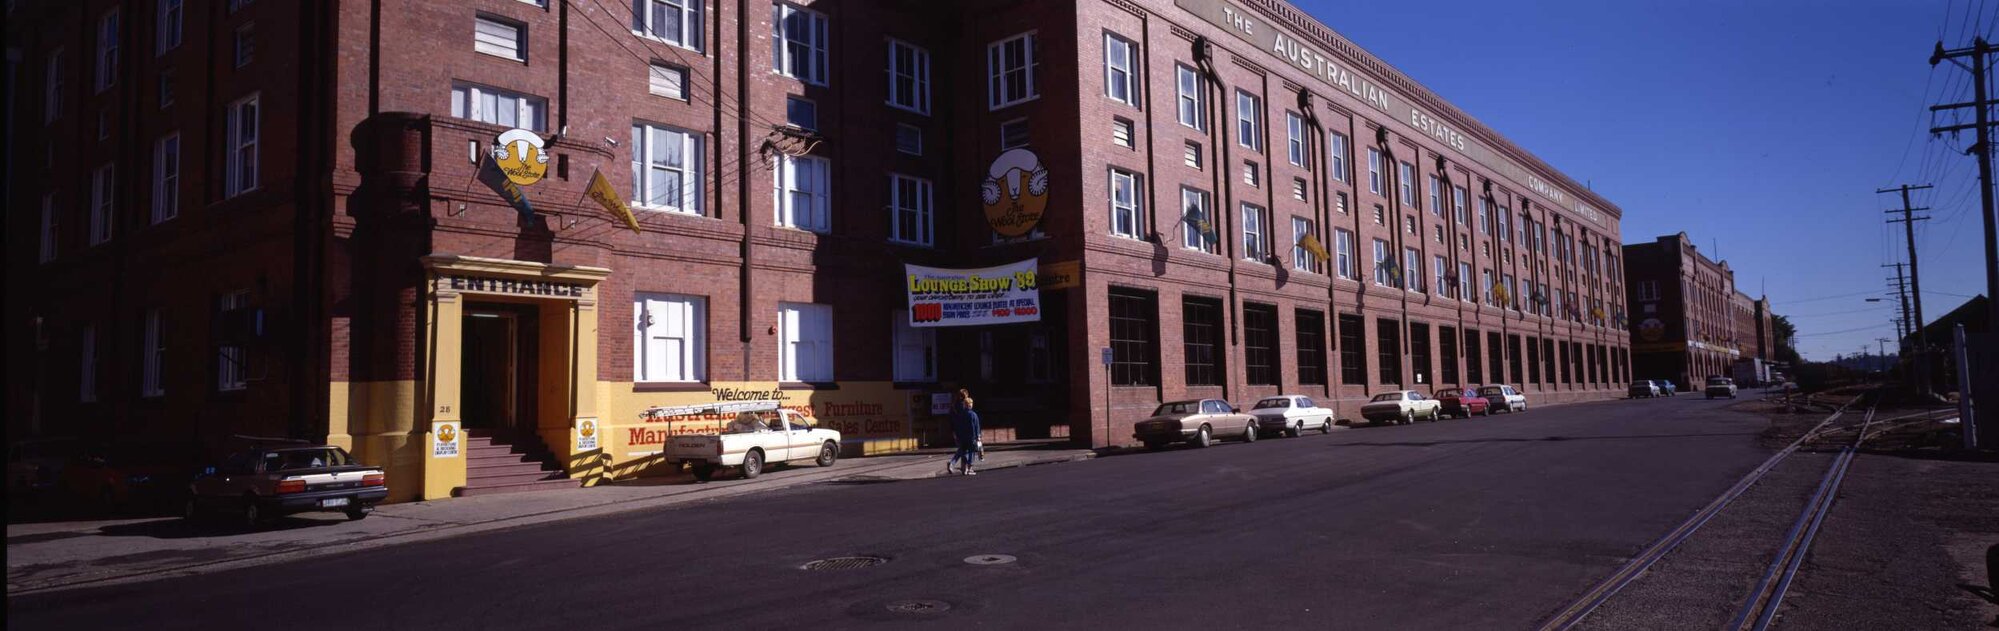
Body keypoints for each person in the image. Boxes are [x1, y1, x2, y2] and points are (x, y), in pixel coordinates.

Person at [948, 389, 982, 475]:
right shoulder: (964, 407)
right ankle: (964, 467)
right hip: (966, 432)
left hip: (958, 430)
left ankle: (958, 465)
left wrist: (953, 431)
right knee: (967, 450)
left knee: (962, 449)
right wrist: (977, 436)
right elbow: (973, 424)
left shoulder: (954, 405)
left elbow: (952, 419)